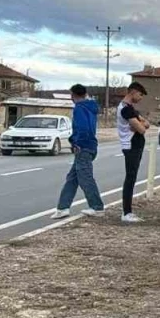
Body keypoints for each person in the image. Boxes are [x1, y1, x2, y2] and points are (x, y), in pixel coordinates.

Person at [52, 83, 105, 219]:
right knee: (72, 178)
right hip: (90, 145)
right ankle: (63, 207)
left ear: (73, 95)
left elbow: (82, 128)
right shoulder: (91, 107)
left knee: (85, 178)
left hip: (83, 146)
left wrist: (76, 142)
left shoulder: (79, 108)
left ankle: (97, 207)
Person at [116, 82, 150, 224]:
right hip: (131, 146)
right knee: (130, 178)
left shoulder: (130, 108)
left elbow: (146, 123)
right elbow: (142, 129)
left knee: (132, 178)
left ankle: (128, 211)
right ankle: (126, 212)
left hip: (135, 146)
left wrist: (139, 124)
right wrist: (139, 125)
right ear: (133, 92)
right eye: (140, 95)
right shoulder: (126, 109)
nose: (141, 98)